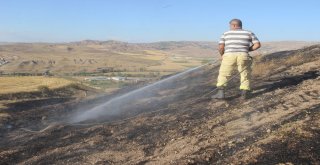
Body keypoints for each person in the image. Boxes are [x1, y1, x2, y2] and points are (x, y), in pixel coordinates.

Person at [212, 18, 261, 100]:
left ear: (234, 25)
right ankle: (244, 94)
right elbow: (257, 45)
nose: (229, 27)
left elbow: (221, 47)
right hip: (243, 55)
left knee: (224, 73)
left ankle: (221, 94)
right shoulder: (249, 32)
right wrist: (247, 49)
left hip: (229, 55)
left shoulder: (225, 33)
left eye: (230, 25)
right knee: (245, 73)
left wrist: (222, 55)